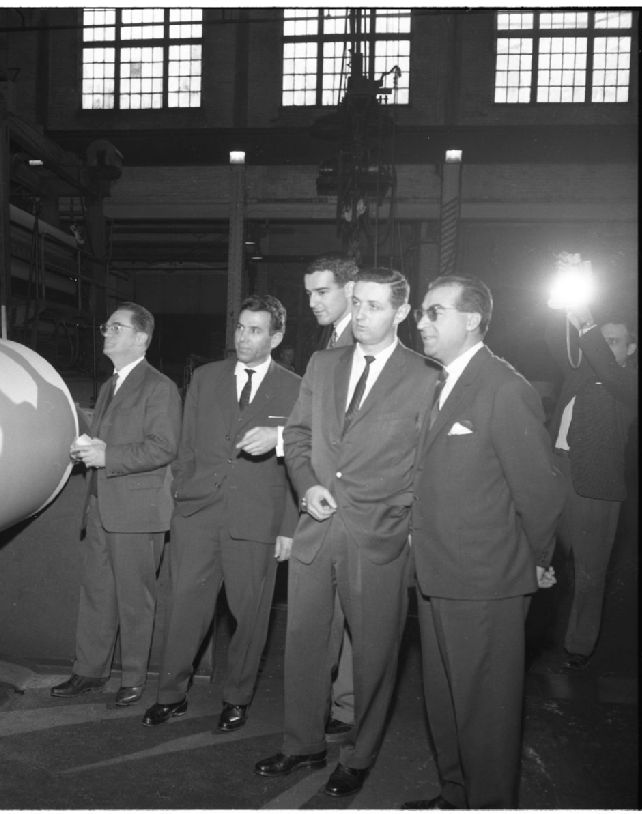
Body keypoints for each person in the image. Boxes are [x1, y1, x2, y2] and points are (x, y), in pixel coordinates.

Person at [255, 268, 438, 798]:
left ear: (401, 313)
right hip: (317, 527)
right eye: (357, 303)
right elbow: (297, 435)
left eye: (375, 306)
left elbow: (428, 464)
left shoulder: (427, 376)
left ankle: (359, 755)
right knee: (304, 644)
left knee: (375, 654)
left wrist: (405, 522)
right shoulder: (324, 363)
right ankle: (302, 744)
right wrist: (307, 484)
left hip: (379, 536)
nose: (360, 315)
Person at [403, 275, 564, 809]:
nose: (421, 322)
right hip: (437, 574)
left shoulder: (503, 386)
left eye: (434, 312)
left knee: (486, 714)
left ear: (471, 320)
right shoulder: (441, 381)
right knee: (446, 701)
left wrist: (535, 561)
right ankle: (456, 796)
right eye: (422, 312)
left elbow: (540, 492)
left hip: (485, 581)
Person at [142, 295, 301, 732]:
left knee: (251, 618)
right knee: (184, 610)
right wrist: (182, 494)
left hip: (258, 519)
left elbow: (300, 463)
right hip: (198, 515)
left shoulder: (296, 387)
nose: (243, 338)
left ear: (276, 338)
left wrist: (289, 528)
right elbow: (185, 445)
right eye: (240, 328)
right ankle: (170, 695)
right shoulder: (206, 377)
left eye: (255, 330)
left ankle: (236, 698)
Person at [51, 302, 182, 707]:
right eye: (106, 326)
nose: (106, 332)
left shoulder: (159, 387)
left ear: (141, 338)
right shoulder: (111, 385)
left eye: (116, 327)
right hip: (102, 505)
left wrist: (107, 456)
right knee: (97, 592)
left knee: (134, 599)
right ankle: (89, 671)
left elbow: (163, 447)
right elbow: (116, 440)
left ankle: (134, 678)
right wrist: (88, 449)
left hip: (137, 512)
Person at [546, 306, 638, 670]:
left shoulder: (632, 381)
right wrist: (561, 310)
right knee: (536, 556)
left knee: (589, 572)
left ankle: (579, 645)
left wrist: (587, 325)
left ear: (631, 348)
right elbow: (557, 341)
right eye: (601, 341)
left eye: (613, 341)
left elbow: (609, 371)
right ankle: (531, 634)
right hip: (556, 472)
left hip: (595, 485)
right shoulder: (581, 371)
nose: (602, 346)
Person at [303, 254, 358, 741]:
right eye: (310, 294)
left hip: (347, 501)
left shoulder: (357, 340)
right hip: (327, 497)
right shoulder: (333, 341)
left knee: (348, 614)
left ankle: (347, 707)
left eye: (322, 292)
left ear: (350, 289)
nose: (313, 302)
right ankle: (342, 705)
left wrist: (283, 441)